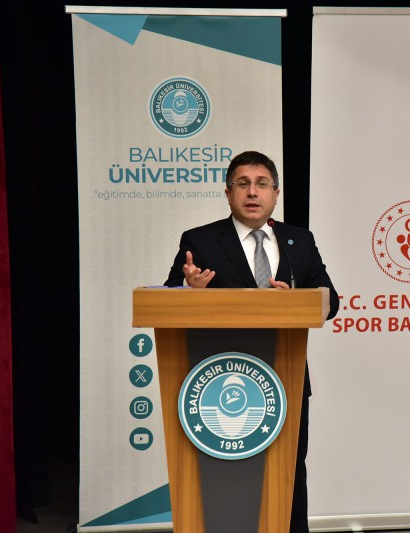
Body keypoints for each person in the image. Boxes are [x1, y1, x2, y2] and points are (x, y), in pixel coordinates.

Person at [165, 150, 339, 533]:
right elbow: (168, 297)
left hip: (285, 379)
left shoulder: (299, 241)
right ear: (228, 193)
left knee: (288, 470)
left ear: (276, 193)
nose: (252, 192)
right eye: (242, 184)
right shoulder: (201, 241)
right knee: (225, 470)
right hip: (218, 381)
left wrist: (295, 301)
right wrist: (189, 290)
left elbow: (331, 301)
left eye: (262, 184)